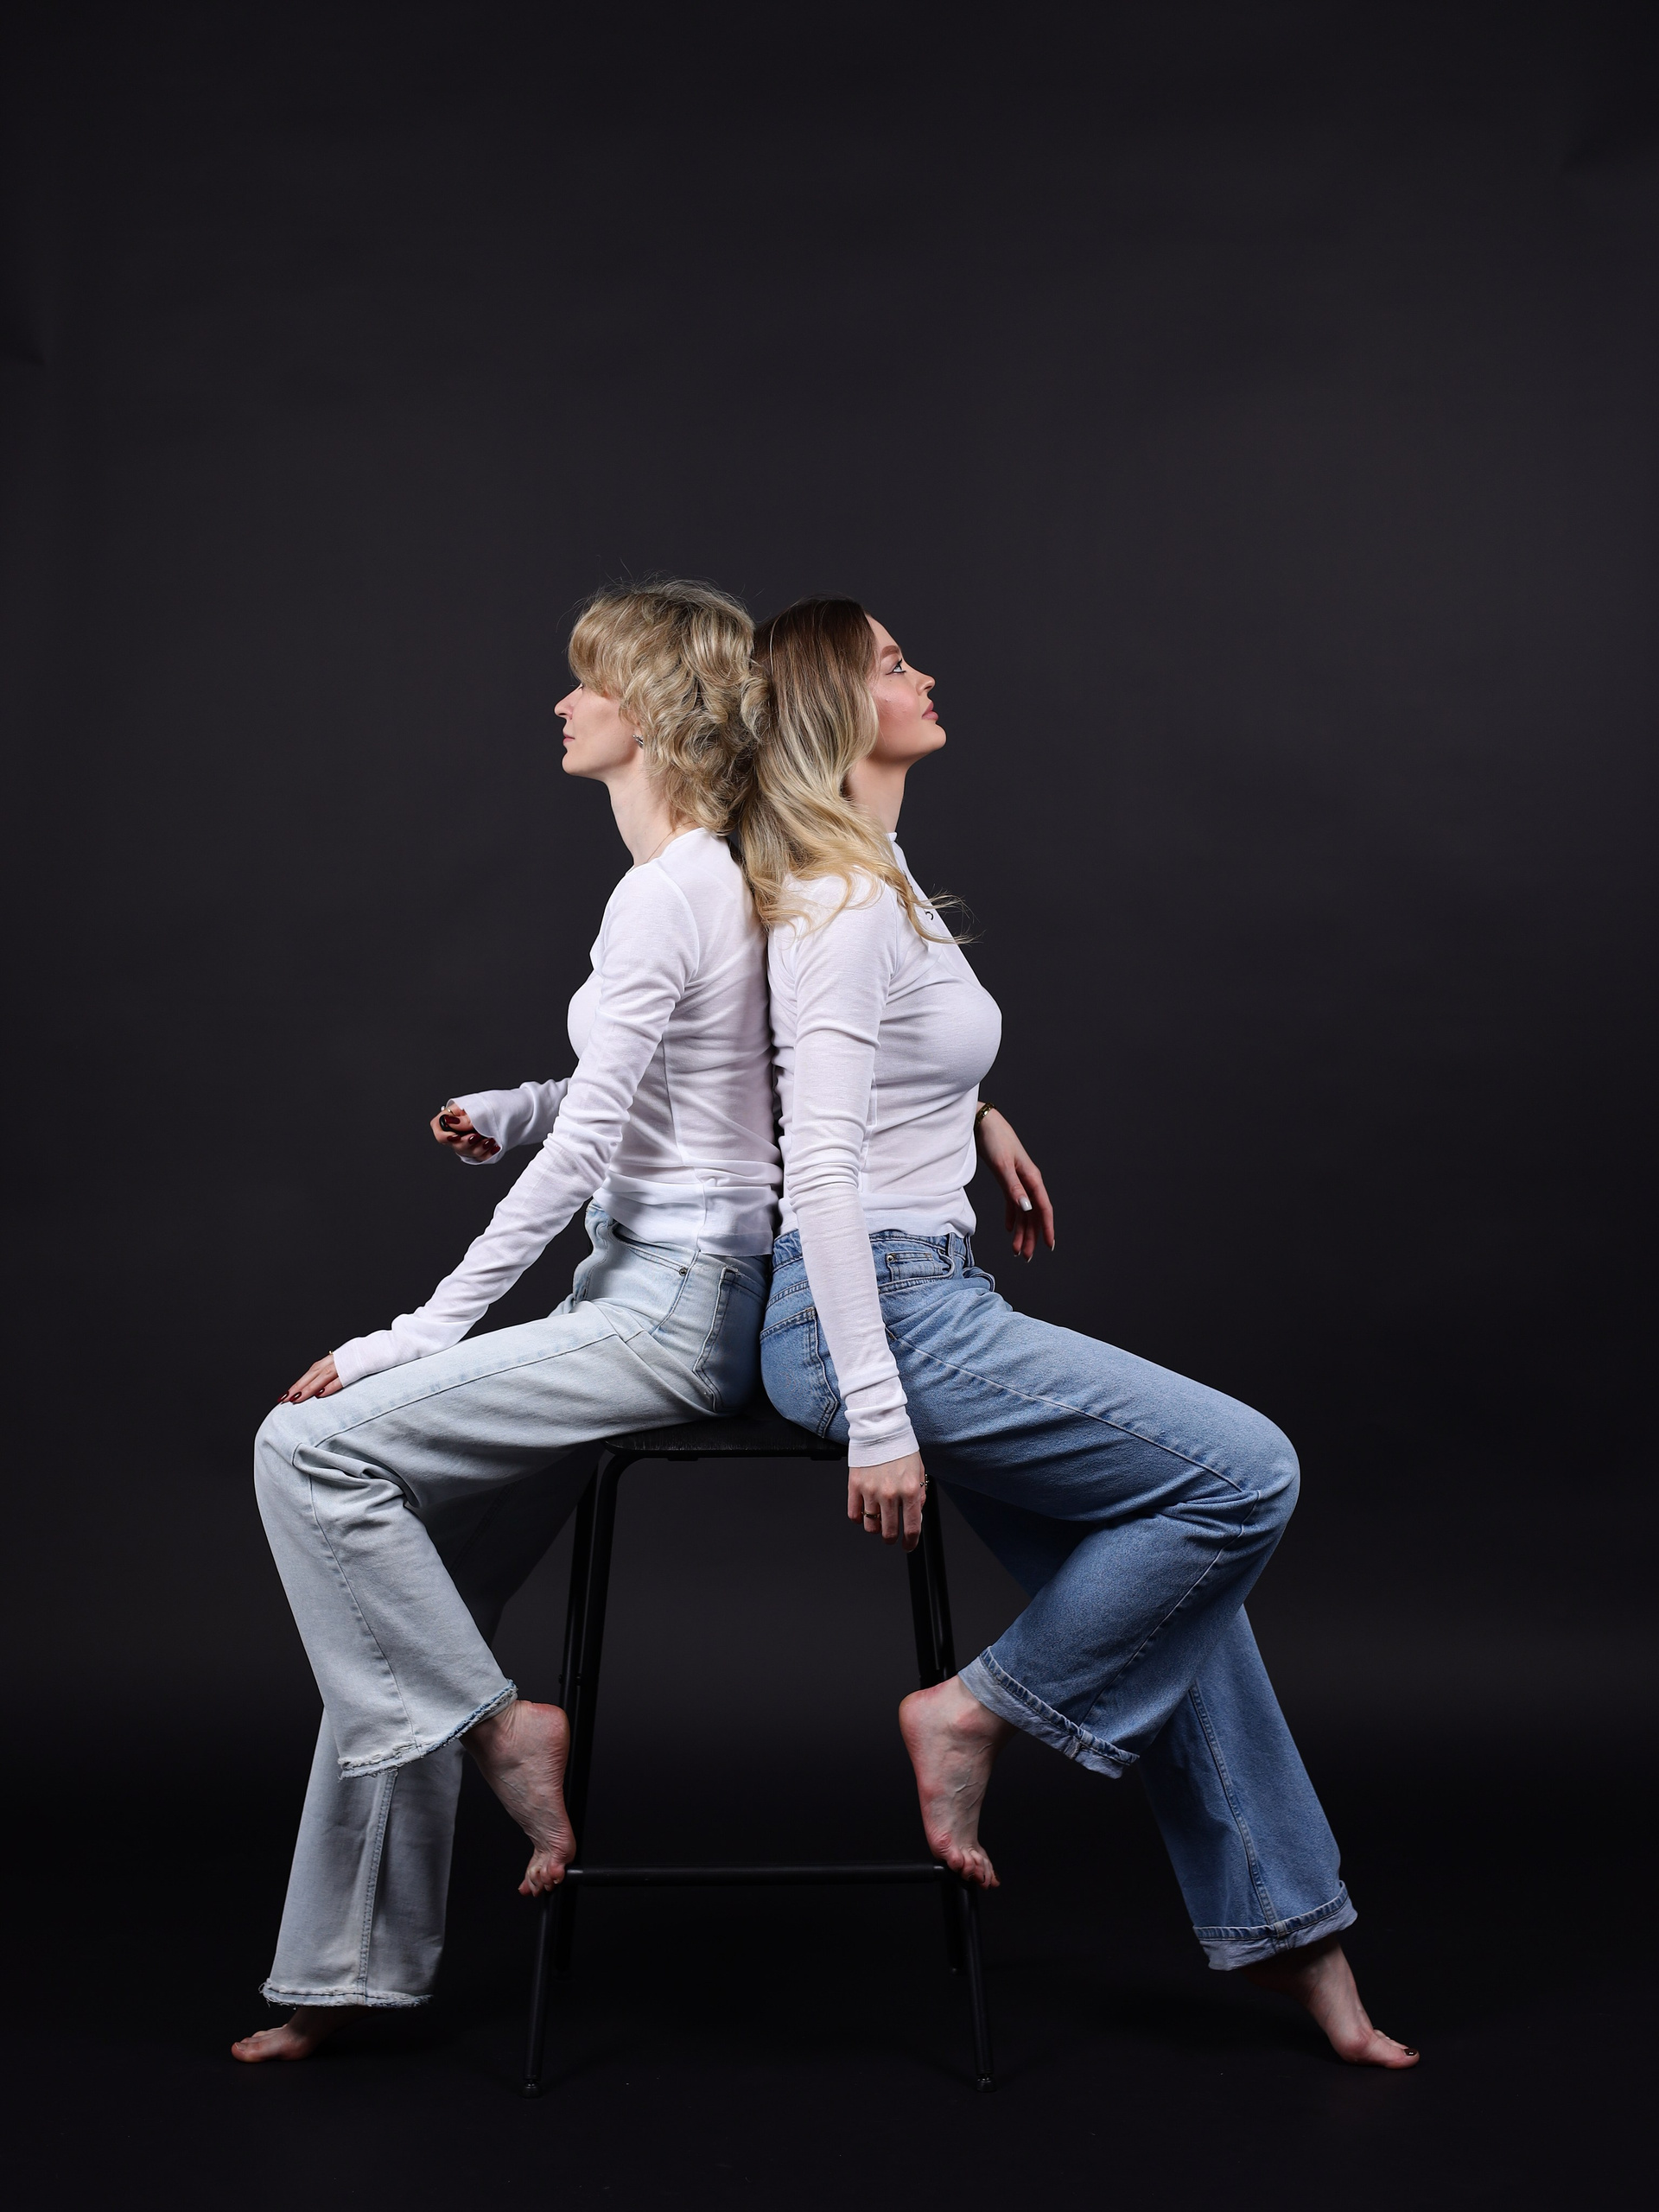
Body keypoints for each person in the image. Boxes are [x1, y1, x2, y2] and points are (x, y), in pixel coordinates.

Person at [737, 597, 1417, 2069]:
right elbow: (823, 1169)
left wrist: (974, 1115)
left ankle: (1294, 1937)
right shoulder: (839, 901)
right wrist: (876, 1410)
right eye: (894, 663)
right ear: (836, 709)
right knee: (1245, 1474)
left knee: (1183, 1598)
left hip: (928, 1291)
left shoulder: (877, 878)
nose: (925, 675)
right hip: (877, 1312)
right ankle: (974, 1713)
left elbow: (863, 1073)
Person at [234, 582, 780, 2063]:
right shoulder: (712, 879)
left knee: (308, 1452)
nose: (564, 702)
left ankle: (495, 1729)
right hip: (664, 1291)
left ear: (649, 712)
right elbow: (668, 1093)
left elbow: (604, 1151)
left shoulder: (666, 890)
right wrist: (519, 1106)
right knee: (401, 1602)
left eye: (588, 681)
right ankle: (343, 1976)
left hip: (667, 1309)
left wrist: (423, 1333)